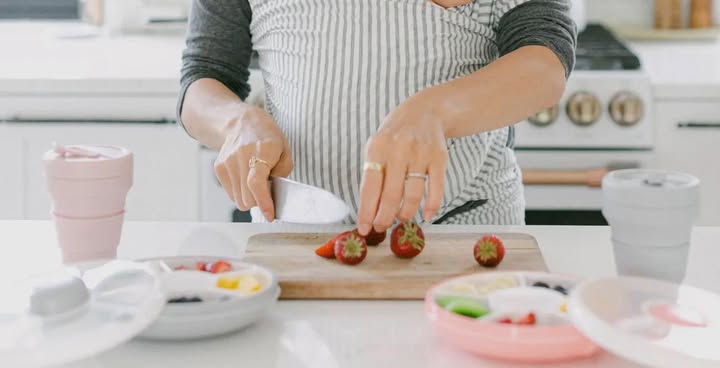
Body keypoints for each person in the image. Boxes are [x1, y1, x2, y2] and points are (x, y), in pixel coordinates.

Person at [177, 0, 576, 236]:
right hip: (293, 237)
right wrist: (235, 122)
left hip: (464, 235)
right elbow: (204, 75)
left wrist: (435, 111)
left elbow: (545, 61)